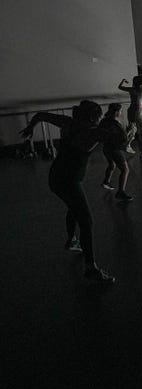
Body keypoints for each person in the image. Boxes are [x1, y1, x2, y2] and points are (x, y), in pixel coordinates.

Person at [20, 101, 115, 283]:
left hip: (55, 177)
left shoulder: (68, 123)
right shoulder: (93, 132)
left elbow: (41, 115)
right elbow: (119, 140)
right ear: (92, 117)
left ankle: (72, 239)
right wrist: (122, 130)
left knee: (74, 206)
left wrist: (31, 128)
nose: (99, 119)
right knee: (86, 221)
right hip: (70, 181)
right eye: (98, 116)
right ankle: (90, 268)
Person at [100, 103, 134, 201]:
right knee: (125, 170)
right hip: (114, 149)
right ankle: (120, 192)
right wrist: (129, 130)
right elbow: (124, 139)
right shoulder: (116, 124)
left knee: (112, 165)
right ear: (116, 112)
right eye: (120, 111)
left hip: (106, 148)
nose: (121, 112)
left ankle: (106, 182)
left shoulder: (104, 121)